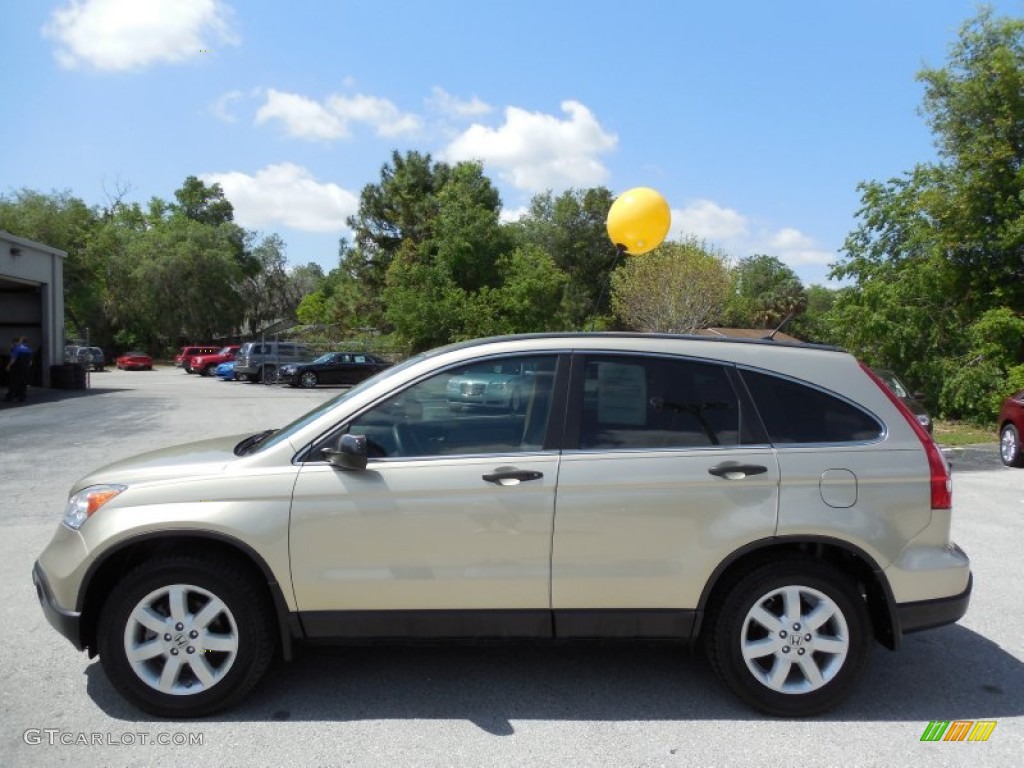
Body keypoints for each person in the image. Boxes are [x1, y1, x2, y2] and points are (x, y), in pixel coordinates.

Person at [3, 336, 33, 403]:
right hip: (26, 369)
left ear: (18, 342)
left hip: (17, 368)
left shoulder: (17, 348)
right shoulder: (29, 349)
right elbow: (31, 362)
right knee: (23, 383)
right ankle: (22, 397)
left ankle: (9, 397)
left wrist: (8, 366)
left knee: (13, 383)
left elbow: (13, 359)